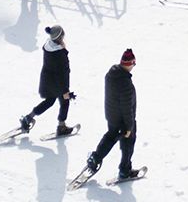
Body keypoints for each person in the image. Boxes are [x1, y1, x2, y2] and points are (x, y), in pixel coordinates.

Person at [81, 47, 141, 182]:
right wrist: (129, 127)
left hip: (112, 115)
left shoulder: (112, 73)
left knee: (110, 137)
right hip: (123, 120)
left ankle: (95, 158)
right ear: (130, 64)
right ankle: (125, 170)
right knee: (128, 143)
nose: (134, 66)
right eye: (134, 64)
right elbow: (127, 108)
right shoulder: (125, 83)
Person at [17, 25, 76, 137]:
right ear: (60, 37)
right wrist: (65, 90)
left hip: (47, 80)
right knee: (65, 101)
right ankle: (61, 126)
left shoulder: (48, 46)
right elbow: (62, 73)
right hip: (58, 83)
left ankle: (28, 117)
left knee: (50, 101)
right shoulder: (59, 54)